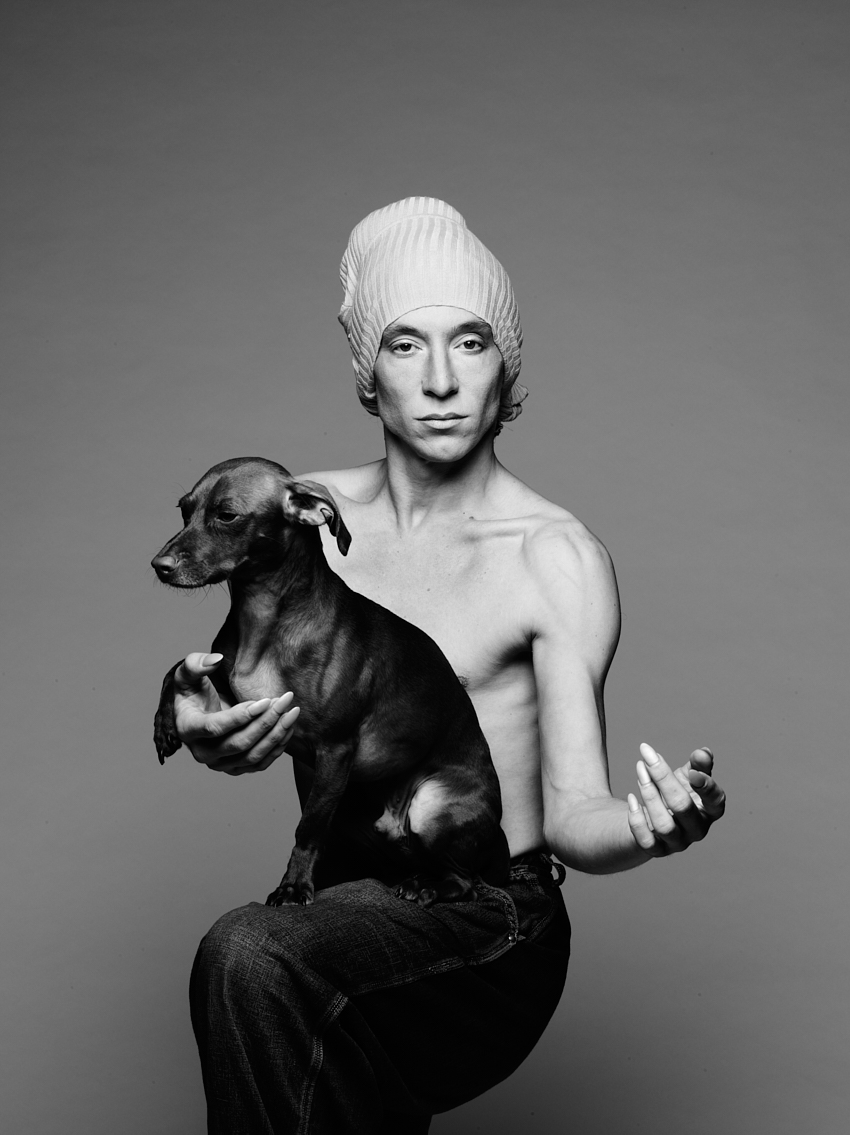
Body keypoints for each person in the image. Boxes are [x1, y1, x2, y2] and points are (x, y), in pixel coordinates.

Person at [175, 197, 726, 1134]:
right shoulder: (306, 516)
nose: (440, 379)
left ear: (504, 368)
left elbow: (573, 813)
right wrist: (203, 726)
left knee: (250, 955)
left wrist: (648, 827)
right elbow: (234, 684)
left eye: (470, 342)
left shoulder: (552, 555)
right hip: (343, 903)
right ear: (369, 375)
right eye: (406, 345)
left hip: (486, 916)